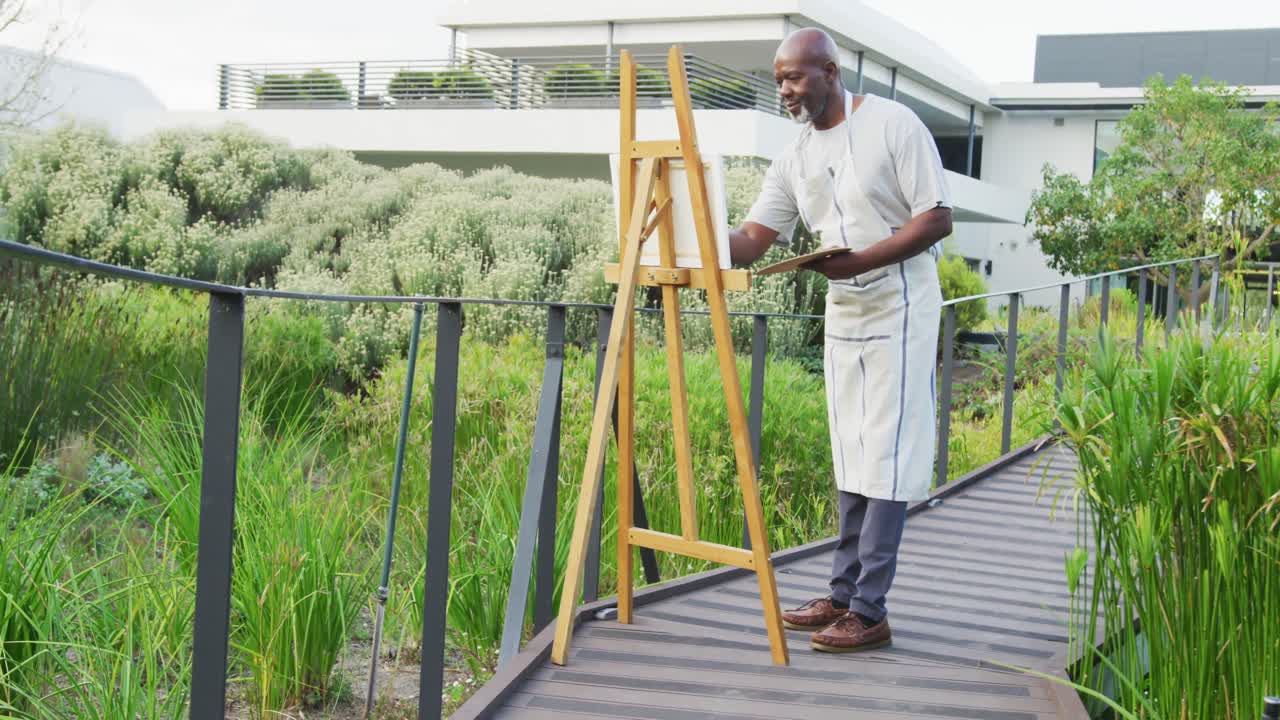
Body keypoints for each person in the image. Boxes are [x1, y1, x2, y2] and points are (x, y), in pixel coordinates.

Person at [729, 28, 953, 653]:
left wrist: (859, 261)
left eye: (794, 77)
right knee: (851, 448)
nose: (785, 90)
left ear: (829, 71)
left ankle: (870, 610)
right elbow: (750, 241)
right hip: (845, 308)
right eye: (779, 80)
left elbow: (937, 217)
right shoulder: (795, 156)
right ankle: (841, 593)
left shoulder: (893, 124)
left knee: (887, 452)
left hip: (901, 303)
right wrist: (688, 228)